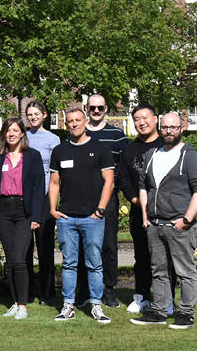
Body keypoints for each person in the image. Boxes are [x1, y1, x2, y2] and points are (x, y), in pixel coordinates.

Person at [131, 112, 197, 330]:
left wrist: (186, 219)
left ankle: (186, 313)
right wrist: (146, 216)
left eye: (173, 127)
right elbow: (144, 186)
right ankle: (159, 311)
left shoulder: (190, 156)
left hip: (179, 225)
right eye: (165, 127)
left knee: (185, 271)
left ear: (182, 128)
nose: (168, 131)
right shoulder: (152, 154)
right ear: (160, 127)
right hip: (155, 225)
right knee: (159, 271)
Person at [49, 108, 115, 324]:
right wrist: (53, 209)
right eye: (70, 121)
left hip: (92, 218)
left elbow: (109, 181)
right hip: (67, 218)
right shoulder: (59, 151)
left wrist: (100, 210)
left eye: (78, 120)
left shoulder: (100, 149)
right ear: (65, 125)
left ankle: (96, 305)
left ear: (85, 121)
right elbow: (54, 183)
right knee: (68, 264)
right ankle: (68, 305)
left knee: (94, 263)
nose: (74, 124)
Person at [0, 117, 45, 320]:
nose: (11, 133)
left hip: (24, 212)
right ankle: (14, 303)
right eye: (7, 130)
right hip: (3, 210)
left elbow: (38, 189)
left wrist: (36, 216)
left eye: (14, 130)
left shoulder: (33, 156)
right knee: (10, 261)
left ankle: (23, 305)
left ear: (22, 133)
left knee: (19, 260)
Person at [77, 94, 129, 308]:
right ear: (86, 109)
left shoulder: (117, 135)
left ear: (106, 109)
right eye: (92, 108)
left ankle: (109, 289)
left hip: (108, 198)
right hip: (81, 199)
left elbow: (124, 167)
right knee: (81, 245)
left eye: (100, 108)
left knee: (108, 245)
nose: (96, 111)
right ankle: (83, 290)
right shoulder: (79, 132)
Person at [116, 105, 167, 314]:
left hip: (165, 211)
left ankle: (165, 299)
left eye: (145, 118)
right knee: (142, 257)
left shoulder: (167, 145)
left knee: (165, 258)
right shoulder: (129, 150)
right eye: (137, 119)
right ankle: (142, 297)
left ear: (155, 119)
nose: (141, 122)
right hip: (139, 211)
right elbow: (124, 179)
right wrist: (136, 200)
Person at [22, 101, 61, 306]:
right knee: (25, 247)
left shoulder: (53, 139)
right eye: (30, 114)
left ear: (44, 115)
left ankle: (47, 293)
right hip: (25, 198)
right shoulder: (23, 137)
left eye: (36, 113)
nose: (33, 117)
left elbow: (56, 172)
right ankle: (26, 291)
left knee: (45, 247)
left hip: (45, 198)